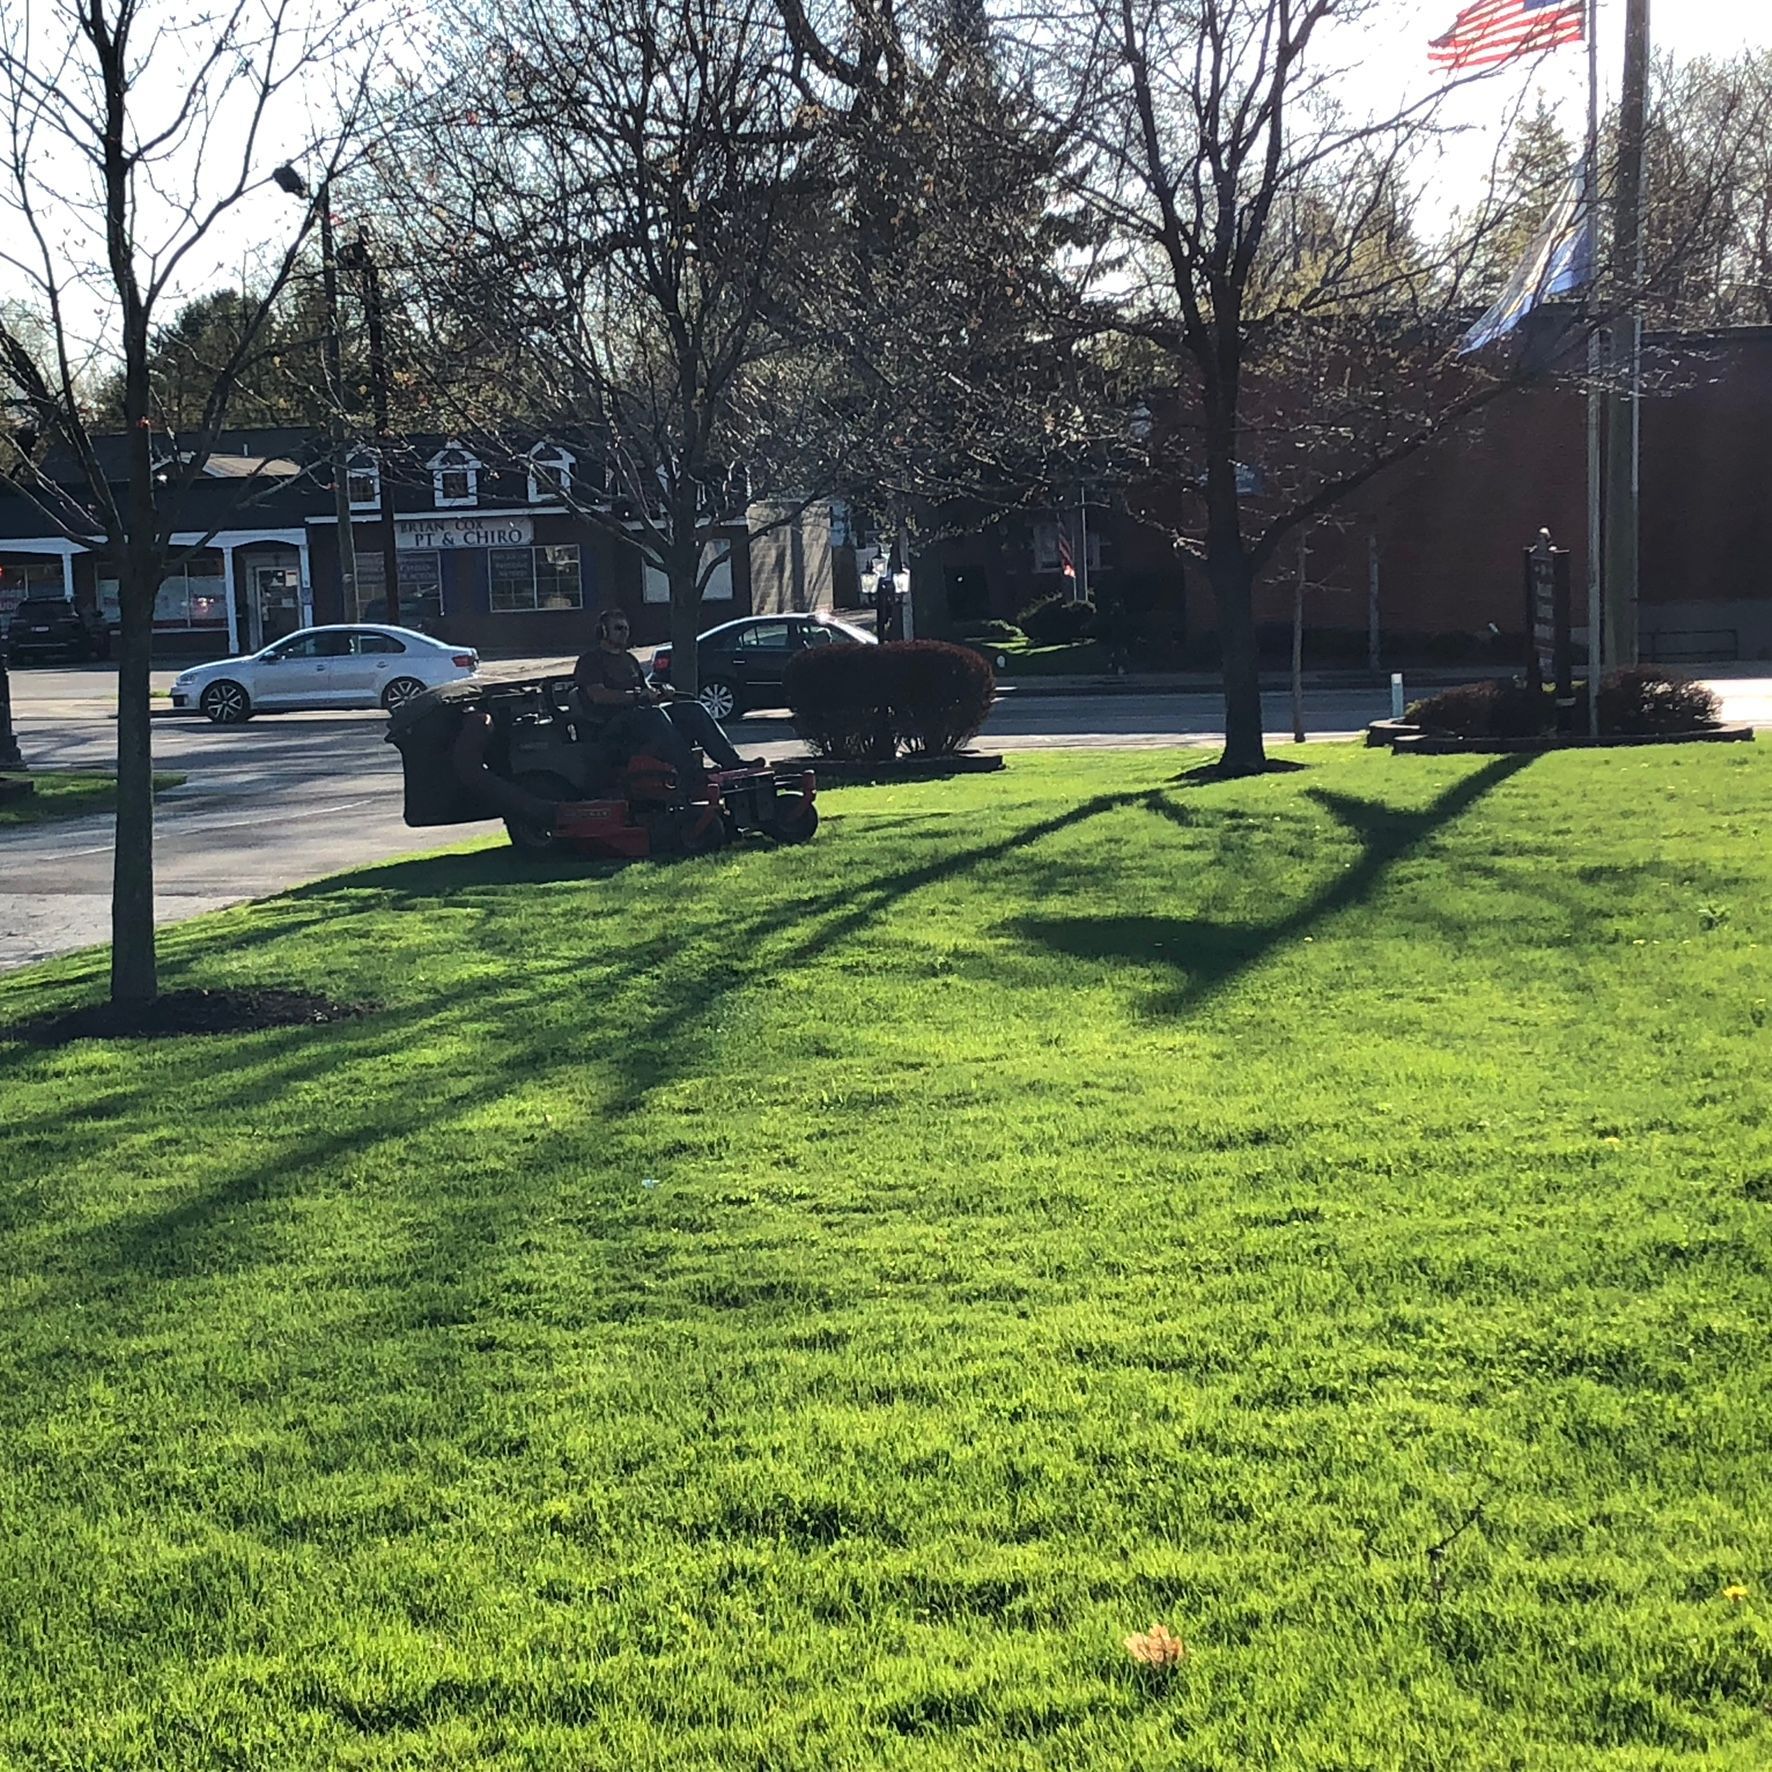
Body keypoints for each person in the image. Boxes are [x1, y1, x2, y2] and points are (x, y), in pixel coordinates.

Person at [572, 608, 760, 775]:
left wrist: (660, 693)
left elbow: (646, 690)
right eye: (618, 629)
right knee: (653, 715)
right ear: (603, 632)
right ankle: (690, 771)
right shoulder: (591, 661)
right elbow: (597, 695)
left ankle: (732, 763)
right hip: (611, 726)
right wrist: (637, 696)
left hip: (641, 717)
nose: (624, 633)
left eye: (626, 629)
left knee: (692, 709)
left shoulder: (629, 660)